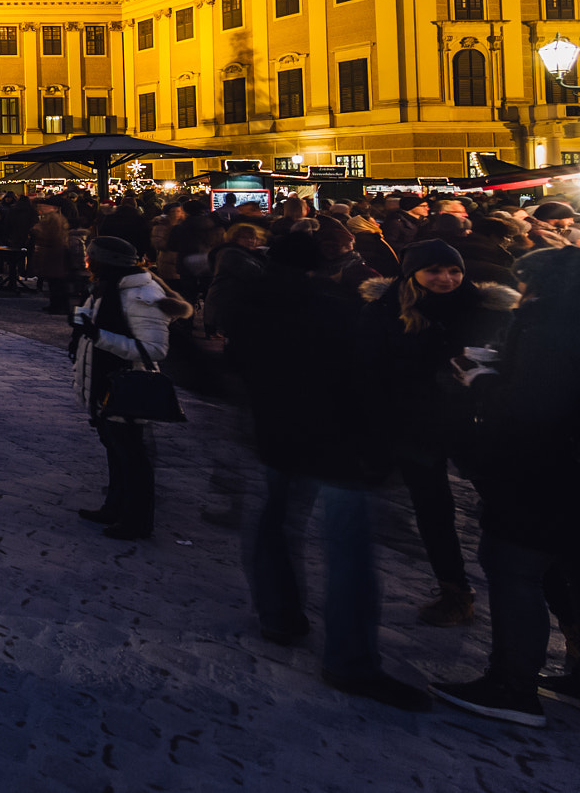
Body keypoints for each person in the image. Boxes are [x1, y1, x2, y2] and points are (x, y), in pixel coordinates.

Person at [224, 232, 432, 713]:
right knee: (350, 554)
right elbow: (364, 376)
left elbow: (236, 362)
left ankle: (278, 616)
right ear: (323, 265)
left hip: (275, 430)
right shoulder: (336, 307)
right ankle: (351, 661)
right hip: (337, 440)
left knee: (273, 523)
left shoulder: (247, 301)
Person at [431, 245, 580, 726]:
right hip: (566, 472)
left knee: (513, 568)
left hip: (540, 473)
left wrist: (481, 381)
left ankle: (513, 686)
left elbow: (532, 408)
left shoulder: (549, 327)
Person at [363, 239, 518, 628]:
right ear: (412, 273)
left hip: (476, 424)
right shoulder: (384, 312)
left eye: (454, 271)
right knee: (434, 512)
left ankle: (559, 613)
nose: (446, 278)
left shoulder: (489, 310)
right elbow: (368, 369)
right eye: (435, 270)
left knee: (513, 512)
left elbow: (513, 363)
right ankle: (454, 593)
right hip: (415, 426)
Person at [67, 236, 180, 540]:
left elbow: (154, 349)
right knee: (115, 449)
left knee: (131, 455)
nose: (86, 261)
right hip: (104, 381)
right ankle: (115, 505)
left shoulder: (141, 294)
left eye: (91, 256)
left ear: (107, 261)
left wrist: (98, 335)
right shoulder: (107, 286)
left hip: (126, 386)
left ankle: (137, 518)